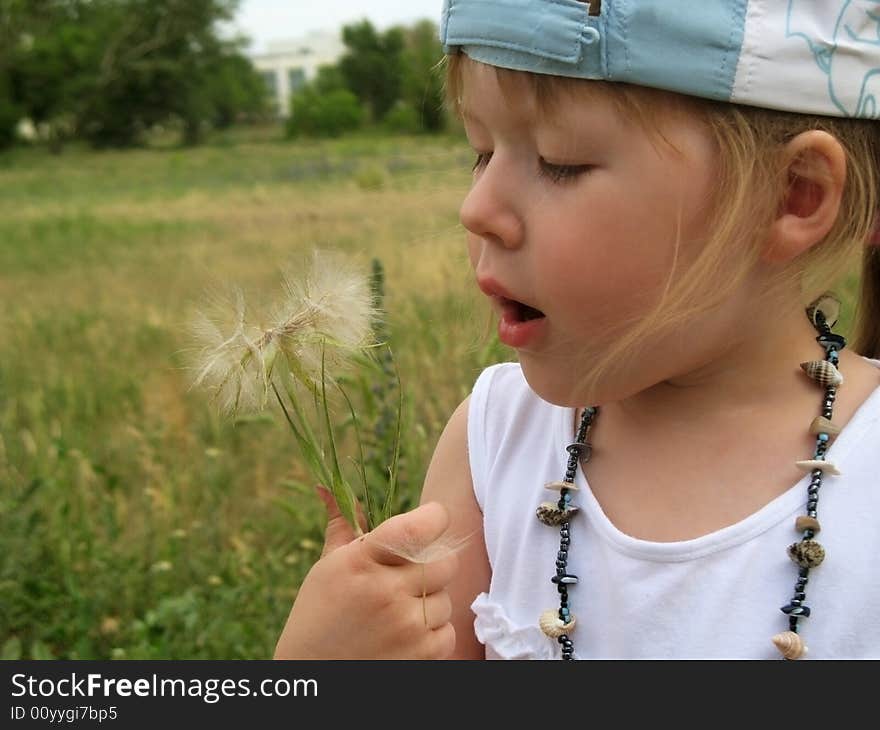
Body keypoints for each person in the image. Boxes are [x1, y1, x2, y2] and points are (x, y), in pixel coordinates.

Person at [274, 0, 880, 659]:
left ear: (795, 193)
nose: (476, 210)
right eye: (480, 153)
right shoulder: (494, 443)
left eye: (559, 161)